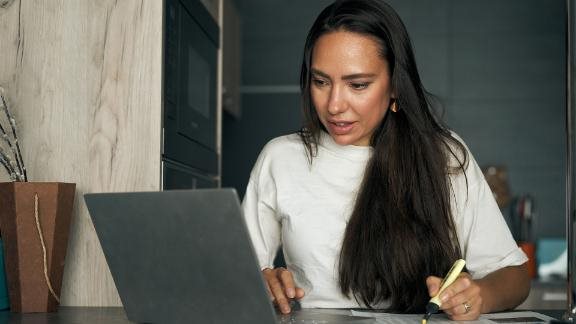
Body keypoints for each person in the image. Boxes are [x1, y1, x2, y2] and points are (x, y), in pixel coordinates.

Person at [241, 0, 530, 320]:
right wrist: (263, 282)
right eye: (321, 81)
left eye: (358, 85)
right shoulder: (281, 158)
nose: (334, 105)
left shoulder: (444, 156)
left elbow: (514, 276)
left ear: (395, 87)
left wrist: (481, 295)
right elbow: (233, 280)